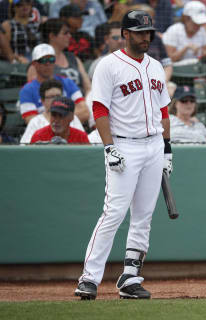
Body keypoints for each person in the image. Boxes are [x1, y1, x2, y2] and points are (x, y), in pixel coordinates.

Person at [74, 10, 172, 300]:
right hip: (124, 144)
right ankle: (89, 277)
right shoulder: (108, 65)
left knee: (143, 215)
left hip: (154, 145)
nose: (146, 37)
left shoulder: (155, 66)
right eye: (140, 32)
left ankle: (130, 276)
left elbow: (163, 110)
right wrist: (109, 147)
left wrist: (167, 149)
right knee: (114, 212)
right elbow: (99, 108)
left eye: (149, 32)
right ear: (125, 34)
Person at [20, 43, 89, 124]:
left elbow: (85, 112)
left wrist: (58, 122)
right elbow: (32, 122)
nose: (48, 63)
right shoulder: (27, 90)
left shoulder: (67, 82)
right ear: (34, 64)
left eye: (51, 59)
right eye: (43, 60)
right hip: (44, 136)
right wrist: (65, 118)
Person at [28, 18, 92, 95]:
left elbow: (88, 87)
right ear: (52, 36)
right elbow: (35, 91)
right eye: (65, 33)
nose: (70, 36)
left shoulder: (73, 58)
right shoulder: (38, 63)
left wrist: (84, 103)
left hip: (81, 102)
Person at [20, 79, 85, 144]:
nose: (56, 99)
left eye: (58, 96)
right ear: (42, 100)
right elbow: (25, 148)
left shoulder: (75, 120)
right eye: (51, 97)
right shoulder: (35, 122)